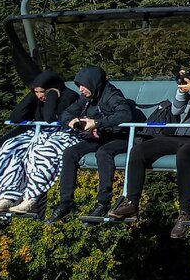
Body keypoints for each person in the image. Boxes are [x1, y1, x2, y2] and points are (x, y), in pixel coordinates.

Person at [110, 53, 190, 238]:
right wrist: (182, 89)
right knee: (139, 150)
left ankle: (184, 212)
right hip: (183, 133)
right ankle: (132, 203)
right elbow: (176, 110)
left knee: (184, 154)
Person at [0, 69, 81, 215]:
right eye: (35, 92)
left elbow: (51, 118)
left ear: (53, 88)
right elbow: (16, 117)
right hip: (37, 132)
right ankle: (8, 196)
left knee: (40, 151)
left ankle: (31, 197)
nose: (39, 96)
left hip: (62, 134)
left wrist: (51, 95)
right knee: (9, 148)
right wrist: (32, 96)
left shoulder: (70, 97)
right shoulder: (36, 98)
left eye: (41, 92)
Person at [49, 66, 133, 223]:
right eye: (79, 85)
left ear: (93, 83)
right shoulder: (86, 98)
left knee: (103, 152)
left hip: (121, 136)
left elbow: (125, 114)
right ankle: (66, 202)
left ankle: (103, 202)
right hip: (101, 136)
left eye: (83, 85)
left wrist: (97, 123)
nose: (81, 89)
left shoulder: (111, 95)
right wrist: (71, 121)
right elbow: (65, 113)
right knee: (70, 153)